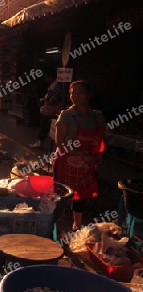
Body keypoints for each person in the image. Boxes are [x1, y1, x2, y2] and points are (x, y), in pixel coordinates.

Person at [53, 80, 106, 231]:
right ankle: (54, 224)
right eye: (72, 93)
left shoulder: (97, 116)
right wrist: (82, 154)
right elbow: (60, 143)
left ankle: (77, 224)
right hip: (66, 162)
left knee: (81, 195)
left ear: (89, 94)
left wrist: (99, 154)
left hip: (86, 164)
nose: (76, 96)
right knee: (61, 195)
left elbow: (100, 138)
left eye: (80, 92)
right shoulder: (66, 115)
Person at [30, 71, 62, 148]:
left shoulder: (57, 85)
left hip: (51, 109)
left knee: (45, 125)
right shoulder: (53, 84)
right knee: (46, 126)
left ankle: (40, 141)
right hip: (49, 108)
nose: (46, 79)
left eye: (47, 77)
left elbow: (54, 98)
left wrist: (48, 100)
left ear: (51, 77)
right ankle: (41, 141)